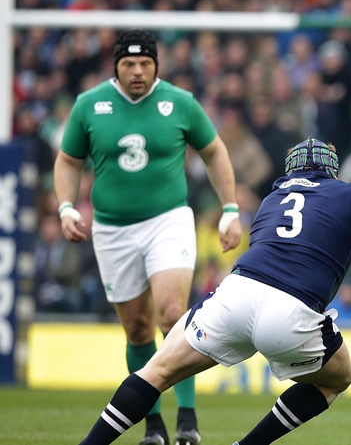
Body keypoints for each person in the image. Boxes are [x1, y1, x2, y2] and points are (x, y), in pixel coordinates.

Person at [76, 138, 351, 445]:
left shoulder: (272, 198)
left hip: (234, 295)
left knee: (155, 374)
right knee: (338, 379)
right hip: (290, 312)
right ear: (331, 170)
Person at [54, 30, 242, 445]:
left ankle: (188, 422)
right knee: (138, 329)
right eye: (128, 64)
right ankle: (153, 427)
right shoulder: (89, 106)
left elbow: (214, 151)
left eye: (145, 64)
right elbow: (68, 161)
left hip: (168, 220)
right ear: (115, 66)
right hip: (111, 228)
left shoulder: (180, 102)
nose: (137, 71)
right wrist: (66, 207)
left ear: (156, 65)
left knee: (173, 313)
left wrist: (229, 209)